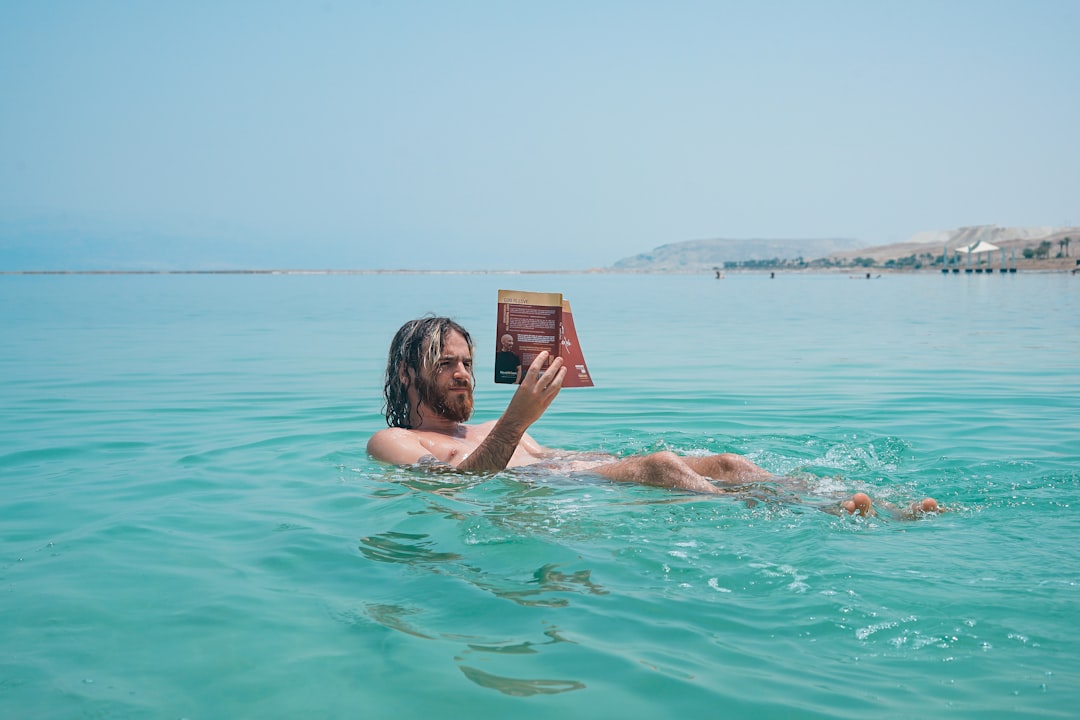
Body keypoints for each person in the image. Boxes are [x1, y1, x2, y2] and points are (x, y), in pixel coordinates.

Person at [367, 316, 942, 518]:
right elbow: (456, 487)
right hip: (563, 492)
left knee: (728, 462)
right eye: (447, 364)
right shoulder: (393, 440)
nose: (464, 374)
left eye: (468, 363)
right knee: (663, 465)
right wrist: (516, 421)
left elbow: (556, 458)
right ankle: (819, 517)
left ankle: (881, 509)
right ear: (406, 373)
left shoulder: (489, 428)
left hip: (578, 472)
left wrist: (526, 425)